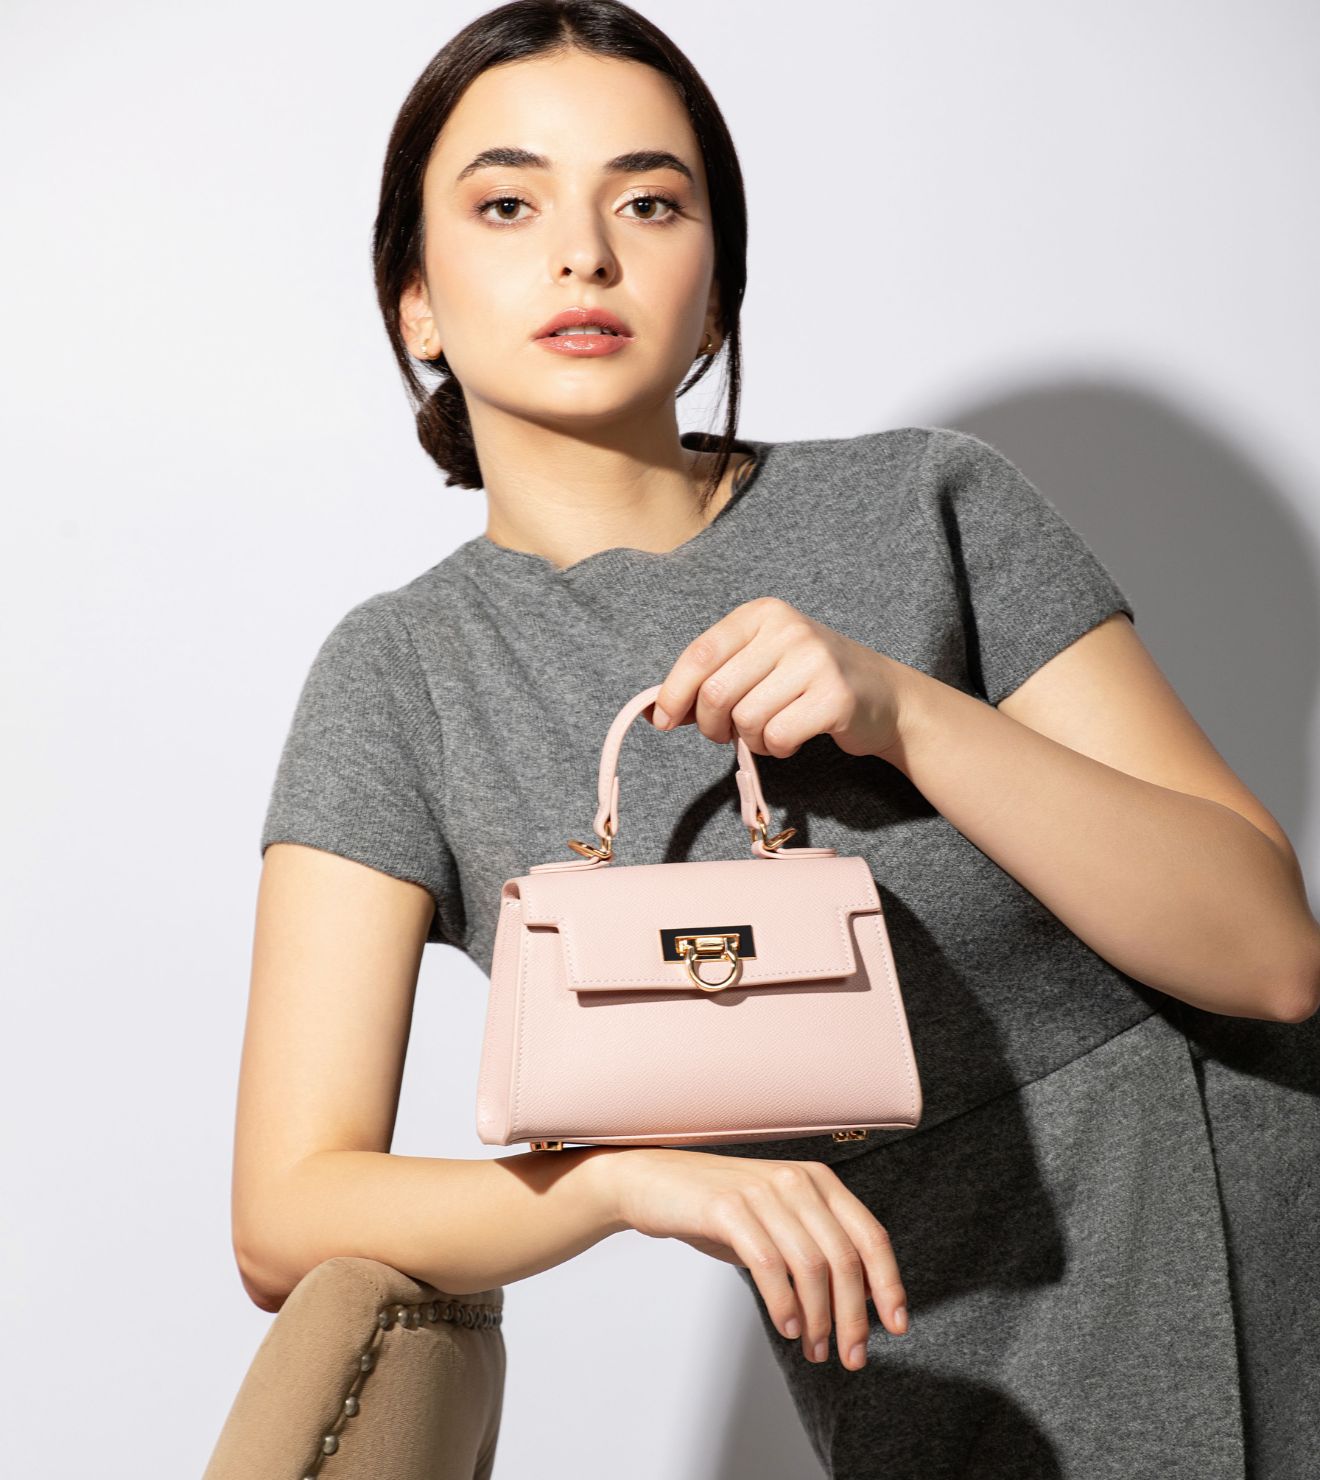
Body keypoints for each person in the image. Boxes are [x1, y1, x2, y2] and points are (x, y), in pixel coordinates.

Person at [233, 3, 1320, 1475]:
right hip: (923, 1366)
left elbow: (1268, 952)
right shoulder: (403, 676)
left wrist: (908, 713)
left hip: (1251, 1220)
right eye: (507, 202)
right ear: (415, 300)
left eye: (650, 200)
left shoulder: (933, 504)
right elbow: (288, 1207)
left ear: (717, 287)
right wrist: (619, 1184)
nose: (585, 251)